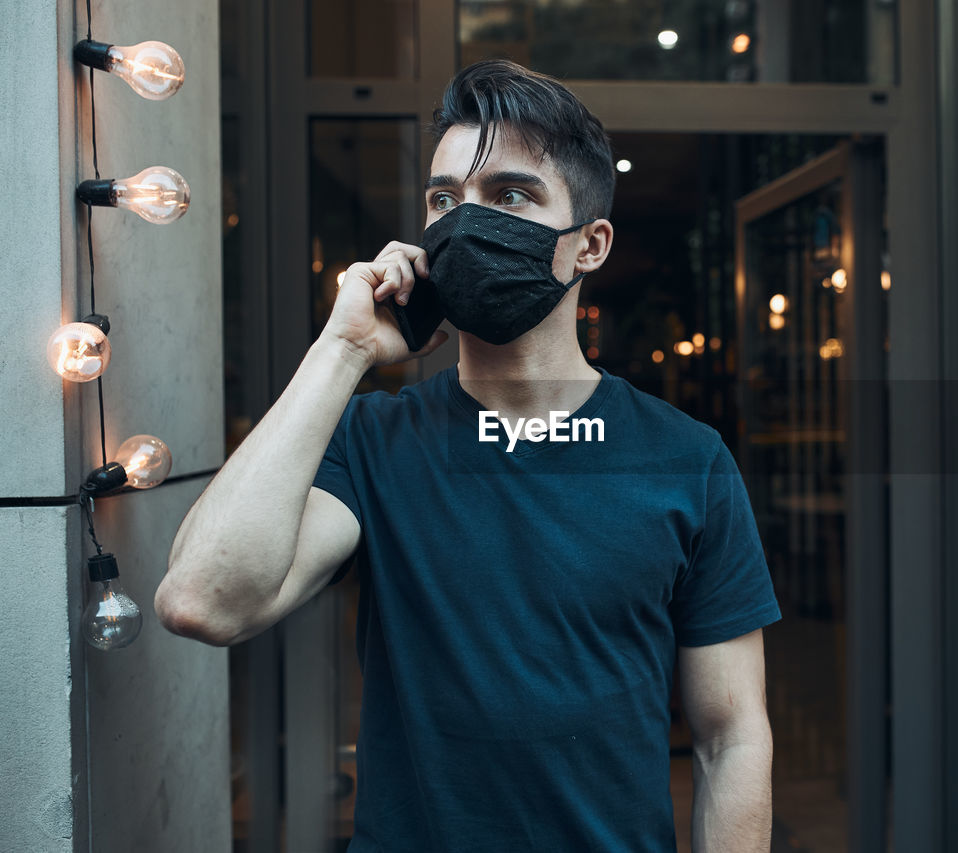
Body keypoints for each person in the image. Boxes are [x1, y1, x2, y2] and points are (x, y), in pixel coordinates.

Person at [157, 59, 780, 852]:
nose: (464, 221)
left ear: (589, 245)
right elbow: (201, 600)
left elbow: (732, 740)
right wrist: (343, 350)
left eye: (510, 196)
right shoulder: (372, 441)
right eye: (444, 199)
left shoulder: (687, 461)